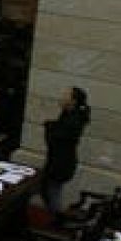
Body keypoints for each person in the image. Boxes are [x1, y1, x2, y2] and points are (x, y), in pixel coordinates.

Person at [42, 86, 90, 214]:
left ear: (73, 101)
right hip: (59, 161)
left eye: (66, 95)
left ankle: (57, 218)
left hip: (61, 163)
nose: (62, 97)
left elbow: (56, 138)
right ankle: (56, 215)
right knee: (49, 189)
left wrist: (49, 127)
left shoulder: (73, 120)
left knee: (53, 191)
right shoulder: (68, 115)